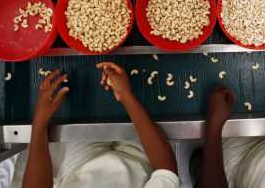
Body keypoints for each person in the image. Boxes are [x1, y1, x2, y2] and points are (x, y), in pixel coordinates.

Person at [12, 63, 179, 187]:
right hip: (141, 158)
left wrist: (40, 123)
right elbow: (166, 169)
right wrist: (126, 96)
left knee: (85, 101)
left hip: (80, 162)